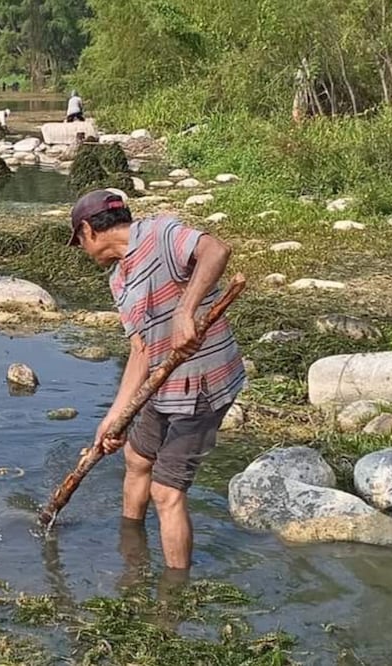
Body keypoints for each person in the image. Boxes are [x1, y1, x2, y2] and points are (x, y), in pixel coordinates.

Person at [67, 189, 245, 571]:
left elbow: (217, 251)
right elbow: (141, 352)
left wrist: (186, 310)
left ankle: (172, 595)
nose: (82, 250)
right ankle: (131, 554)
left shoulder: (159, 234)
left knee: (166, 492)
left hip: (203, 383)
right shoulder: (119, 281)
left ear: (88, 230)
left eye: (78, 241)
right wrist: (114, 416)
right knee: (134, 457)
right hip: (161, 384)